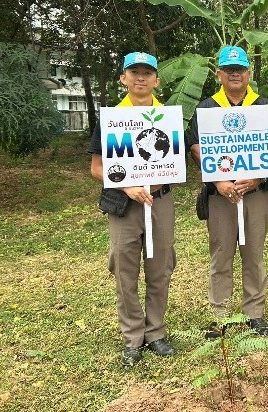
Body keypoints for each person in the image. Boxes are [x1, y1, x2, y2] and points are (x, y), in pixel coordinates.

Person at [187, 46, 268, 336]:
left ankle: (254, 314)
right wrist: (218, 180)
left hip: (256, 192)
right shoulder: (206, 108)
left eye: (240, 69)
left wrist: (257, 177)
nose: (235, 74)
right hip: (221, 195)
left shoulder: (264, 106)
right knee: (221, 254)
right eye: (229, 70)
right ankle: (221, 315)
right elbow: (196, 147)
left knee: (253, 254)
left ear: (248, 73)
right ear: (219, 74)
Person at [88, 52, 176, 367]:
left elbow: (175, 163)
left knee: (160, 268)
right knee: (124, 271)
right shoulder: (111, 118)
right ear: (123, 78)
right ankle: (133, 337)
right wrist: (126, 185)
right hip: (124, 204)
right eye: (134, 72)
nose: (141, 77)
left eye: (147, 73)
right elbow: (97, 167)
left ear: (157, 80)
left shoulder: (168, 117)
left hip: (159, 201)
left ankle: (156, 332)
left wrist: (158, 180)